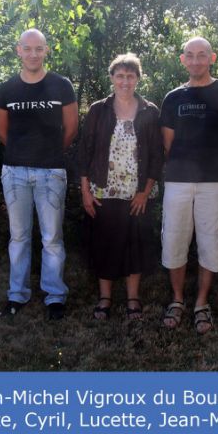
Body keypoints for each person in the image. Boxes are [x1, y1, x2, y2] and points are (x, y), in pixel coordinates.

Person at [160, 37, 218, 334]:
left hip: (215, 182)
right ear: (182, 59)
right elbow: (167, 145)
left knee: (211, 241)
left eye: (202, 55)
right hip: (178, 181)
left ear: (212, 58)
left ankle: (201, 303)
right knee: (174, 239)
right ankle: (177, 299)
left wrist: (212, 167)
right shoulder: (173, 98)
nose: (196, 60)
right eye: (190, 55)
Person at [0, 28, 78, 321]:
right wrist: (22, 154)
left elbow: (71, 129)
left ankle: (54, 297)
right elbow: (3, 132)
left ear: (46, 51)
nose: (33, 54)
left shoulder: (61, 86)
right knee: (18, 237)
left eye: (38, 49)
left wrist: (49, 153)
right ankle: (17, 294)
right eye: (27, 48)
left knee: (52, 237)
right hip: (14, 171)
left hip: (51, 171)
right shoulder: (6, 89)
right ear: (18, 50)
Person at [78, 53, 163, 321]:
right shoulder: (98, 110)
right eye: (120, 76)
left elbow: (157, 155)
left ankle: (132, 298)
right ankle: (105, 298)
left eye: (130, 76)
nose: (125, 81)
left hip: (137, 193)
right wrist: (85, 191)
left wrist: (145, 192)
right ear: (112, 78)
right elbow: (84, 151)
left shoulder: (150, 111)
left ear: (138, 79)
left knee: (134, 245)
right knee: (104, 243)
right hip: (103, 191)